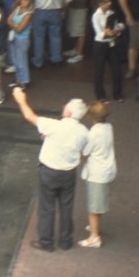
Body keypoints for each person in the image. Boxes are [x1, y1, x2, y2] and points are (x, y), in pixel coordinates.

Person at [11, 87, 89, 251]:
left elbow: (29, 116)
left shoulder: (53, 125)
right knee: (66, 207)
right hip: (69, 173)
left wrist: (21, 99)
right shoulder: (84, 132)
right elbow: (83, 153)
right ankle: (65, 241)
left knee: (47, 207)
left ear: (68, 112)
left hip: (49, 172)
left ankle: (46, 242)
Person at [78, 101, 117, 248]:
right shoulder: (109, 127)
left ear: (92, 117)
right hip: (108, 170)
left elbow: (84, 154)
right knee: (99, 204)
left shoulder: (93, 133)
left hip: (97, 174)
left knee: (93, 208)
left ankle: (94, 237)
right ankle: (94, 227)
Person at [29, 0, 70, 68]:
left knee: (38, 37)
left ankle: (38, 61)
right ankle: (56, 59)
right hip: (56, 11)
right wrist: (62, 9)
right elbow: (68, 0)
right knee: (55, 36)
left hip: (40, 12)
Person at [91, 0, 125, 102]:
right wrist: (106, 33)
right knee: (99, 70)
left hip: (112, 43)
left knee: (116, 69)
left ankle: (117, 94)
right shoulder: (96, 16)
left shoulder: (113, 13)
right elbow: (99, 33)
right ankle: (101, 96)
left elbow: (121, 24)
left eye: (109, 1)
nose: (109, 3)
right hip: (100, 44)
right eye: (106, 2)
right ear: (100, 4)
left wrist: (116, 30)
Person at [7, 0, 35, 88]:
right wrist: (16, 26)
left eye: (26, 0)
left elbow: (20, 29)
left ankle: (24, 81)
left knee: (21, 61)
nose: (24, 1)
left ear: (30, 2)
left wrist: (14, 25)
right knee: (15, 60)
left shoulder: (29, 14)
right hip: (14, 37)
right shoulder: (17, 9)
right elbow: (8, 20)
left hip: (23, 39)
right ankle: (18, 79)